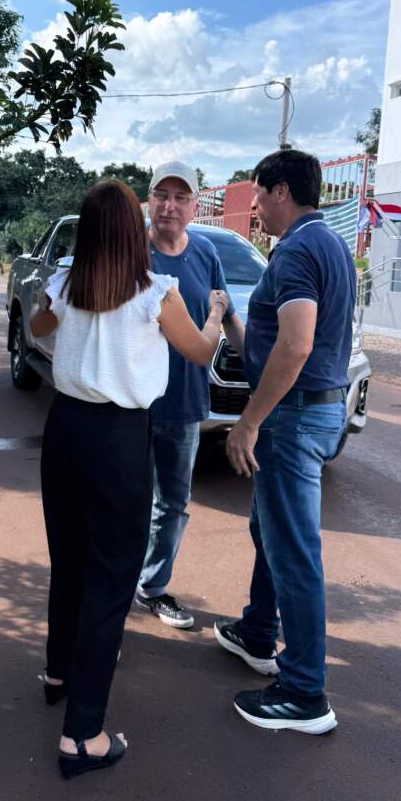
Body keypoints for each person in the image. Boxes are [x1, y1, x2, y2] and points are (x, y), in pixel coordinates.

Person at [30, 179, 227, 779]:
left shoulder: (66, 283)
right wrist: (216, 314)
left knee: (69, 559)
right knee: (111, 580)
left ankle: (58, 671)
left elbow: (39, 331)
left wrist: (52, 299)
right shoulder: (155, 293)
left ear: (89, 233)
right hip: (117, 439)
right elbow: (198, 352)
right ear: (131, 230)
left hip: (62, 431)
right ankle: (82, 735)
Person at [216, 149, 356, 736]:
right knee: (269, 529)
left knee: (294, 549)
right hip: (315, 413)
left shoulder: (298, 248)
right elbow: (283, 338)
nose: (253, 211)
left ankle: (304, 693)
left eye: (257, 198)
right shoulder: (330, 245)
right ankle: (256, 630)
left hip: (294, 419)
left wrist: (249, 420)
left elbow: (296, 346)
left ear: (278, 191)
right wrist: (229, 322)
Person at [135, 161, 246, 629]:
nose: (170, 206)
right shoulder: (131, 250)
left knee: (174, 502)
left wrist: (259, 374)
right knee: (123, 499)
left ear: (195, 206)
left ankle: (152, 587)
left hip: (182, 403)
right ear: (149, 199)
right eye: (162, 195)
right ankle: (110, 591)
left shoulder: (204, 253)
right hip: (131, 402)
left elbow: (228, 312)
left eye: (181, 198)